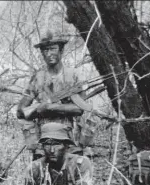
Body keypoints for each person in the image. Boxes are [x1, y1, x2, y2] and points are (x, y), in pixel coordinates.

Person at [16, 30, 96, 159]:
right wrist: (38, 109)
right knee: (41, 175)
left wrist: (51, 107)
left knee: (71, 173)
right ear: (42, 53)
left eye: (53, 49)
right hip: (43, 139)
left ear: (61, 50)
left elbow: (81, 108)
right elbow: (20, 111)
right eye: (45, 50)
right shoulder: (38, 77)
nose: (49, 54)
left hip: (70, 137)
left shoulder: (73, 75)